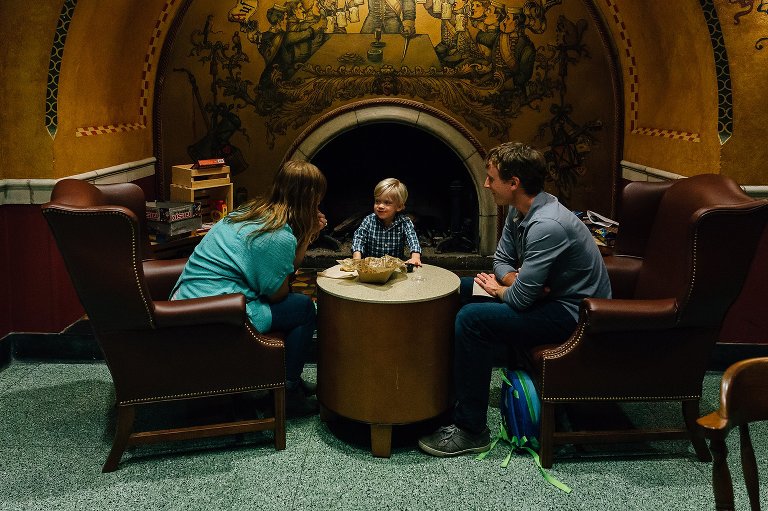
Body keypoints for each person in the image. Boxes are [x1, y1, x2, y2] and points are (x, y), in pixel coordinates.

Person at [418, 142, 611, 456]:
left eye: (491, 178)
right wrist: (514, 280)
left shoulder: (546, 225)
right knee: (461, 289)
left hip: (575, 314)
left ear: (514, 183)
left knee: (472, 321)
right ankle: (447, 398)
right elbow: (500, 261)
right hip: (545, 299)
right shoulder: (519, 212)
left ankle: (471, 429)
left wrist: (504, 289)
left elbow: (520, 301)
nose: (485, 184)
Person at [170, 160, 328, 417]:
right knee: (303, 308)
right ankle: (288, 393)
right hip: (217, 312)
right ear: (309, 198)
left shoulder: (249, 212)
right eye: (317, 199)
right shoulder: (278, 235)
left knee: (297, 305)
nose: (318, 205)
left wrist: (307, 236)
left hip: (188, 300)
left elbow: (280, 273)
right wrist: (304, 237)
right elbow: (278, 292)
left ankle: (289, 383)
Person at [351, 178, 422, 266]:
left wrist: (415, 257)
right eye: (377, 201)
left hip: (394, 267)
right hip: (371, 267)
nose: (380, 206)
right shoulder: (369, 220)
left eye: (387, 203)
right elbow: (359, 239)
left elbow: (413, 240)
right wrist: (357, 258)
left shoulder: (405, 222)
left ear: (399, 207)